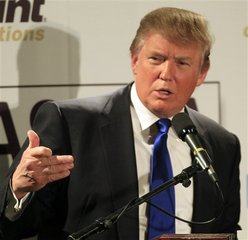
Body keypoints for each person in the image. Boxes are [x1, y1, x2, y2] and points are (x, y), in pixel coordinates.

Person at [0, 7, 241, 240]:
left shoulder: (221, 145)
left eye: (182, 63)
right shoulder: (71, 124)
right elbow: (13, 229)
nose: (166, 73)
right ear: (135, 60)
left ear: (202, 73)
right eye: (156, 58)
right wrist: (19, 191)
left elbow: (225, 230)